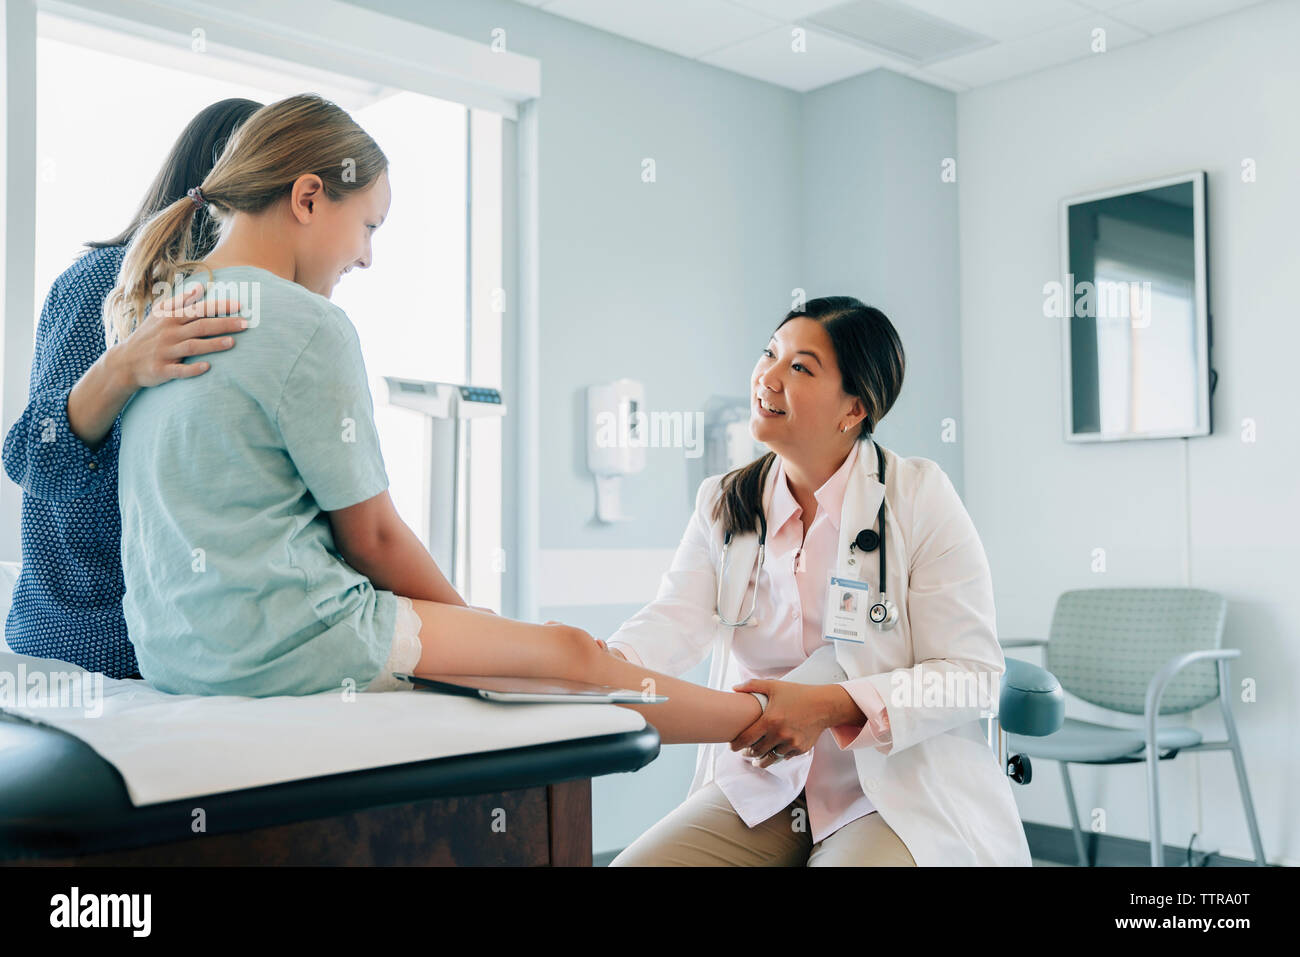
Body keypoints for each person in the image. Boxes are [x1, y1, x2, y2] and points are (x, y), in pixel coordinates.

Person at [108, 93, 792, 751]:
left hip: (175, 649)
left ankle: (752, 715)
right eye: (370, 226)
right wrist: (471, 622)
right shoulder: (310, 326)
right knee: (568, 653)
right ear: (309, 197)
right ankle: (764, 717)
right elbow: (372, 538)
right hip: (289, 639)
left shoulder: (156, 316)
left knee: (530, 653)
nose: (367, 256)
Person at [605, 297, 1033, 866]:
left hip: (890, 788)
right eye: (770, 353)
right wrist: (597, 665)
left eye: (801, 367)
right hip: (767, 784)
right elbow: (673, 620)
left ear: (853, 408)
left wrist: (831, 705)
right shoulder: (726, 502)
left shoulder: (917, 498)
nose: (768, 377)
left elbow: (972, 677)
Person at [2, 98, 262, 677]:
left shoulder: (245, 306)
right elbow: (34, 457)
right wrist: (122, 367)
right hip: (84, 637)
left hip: (194, 633)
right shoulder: (101, 281)